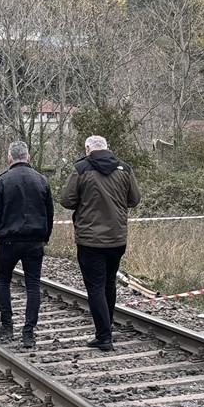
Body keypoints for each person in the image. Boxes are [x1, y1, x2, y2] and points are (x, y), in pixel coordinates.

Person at [60, 135, 141, 351]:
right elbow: (134, 199)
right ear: (107, 148)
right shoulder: (125, 169)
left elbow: (67, 200)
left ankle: (104, 335)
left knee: (95, 286)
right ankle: (107, 326)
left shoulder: (81, 169)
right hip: (117, 238)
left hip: (89, 239)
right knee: (109, 283)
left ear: (88, 149)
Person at [0, 141, 54, 348]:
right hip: (34, 241)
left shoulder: (1, 181)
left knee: (3, 280)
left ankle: (6, 325)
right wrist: (46, 237)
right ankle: (29, 332)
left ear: (9, 159)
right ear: (28, 158)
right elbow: (49, 213)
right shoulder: (42, 180)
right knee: (33, 285)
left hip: (8, 241)